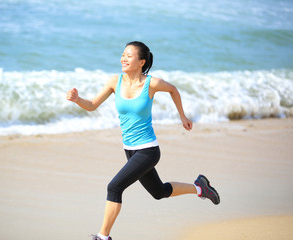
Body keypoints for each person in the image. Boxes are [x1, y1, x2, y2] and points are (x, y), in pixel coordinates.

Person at [66, 41, 220, 240]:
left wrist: (182, 116)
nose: (123, 58)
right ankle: (200, 188)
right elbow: (93, 105)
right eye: (123, 54)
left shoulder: (151, 83)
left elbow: (173, 89)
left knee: (114, 187)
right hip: (129, 150)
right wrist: (78, 99)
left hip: (148, 151)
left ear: (141, 62)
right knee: (159, 192)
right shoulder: (115, 81)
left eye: (129, 55)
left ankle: (103, 237)